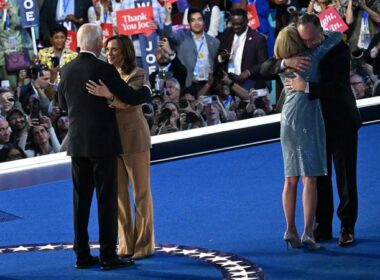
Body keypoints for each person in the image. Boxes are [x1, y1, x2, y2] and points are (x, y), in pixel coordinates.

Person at [261, 13, 362, 247]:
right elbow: (265, 67)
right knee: (318, 176)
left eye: (312, 40)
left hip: (340, 121)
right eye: (303, 41)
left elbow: (338, 88)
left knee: (346, 177)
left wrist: (305, 86)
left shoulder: (337, 48)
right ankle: (322, 226)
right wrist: (286, 62)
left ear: (320, 31)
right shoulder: (298, 52)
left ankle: (347, 227)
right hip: (312, 124)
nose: (308, 45)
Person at [57, 23, 151, 270]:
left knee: (81, 201)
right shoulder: (104, 69)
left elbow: (63, 106)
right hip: (104, 145)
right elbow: (130, 97)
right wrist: (148, 92)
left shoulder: (65, 70)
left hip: (77, 145)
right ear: (98, 43)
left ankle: (82, 255)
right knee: (106, 200)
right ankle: (108, 256)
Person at [86, 34, 155, 260]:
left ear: (124, 51)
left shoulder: (137, 74)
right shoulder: (103, 74)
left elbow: (132, 100)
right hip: (111, 141)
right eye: (107, 48)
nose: (109, 53)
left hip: (134, 139)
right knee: (119, 196)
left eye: (114, 49)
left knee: (141, 195)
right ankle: (125, 244)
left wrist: (109, 96)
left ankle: (145, 245)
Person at [163, 4, 220, 89]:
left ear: (204, 21)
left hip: (208, 86)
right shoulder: (182, 37)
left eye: (199, 20)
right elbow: (169, 34)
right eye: (193, 20)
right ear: (189, 23)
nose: (196, 23)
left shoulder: (215, 42)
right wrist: (168, 14)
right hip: (188, 86)